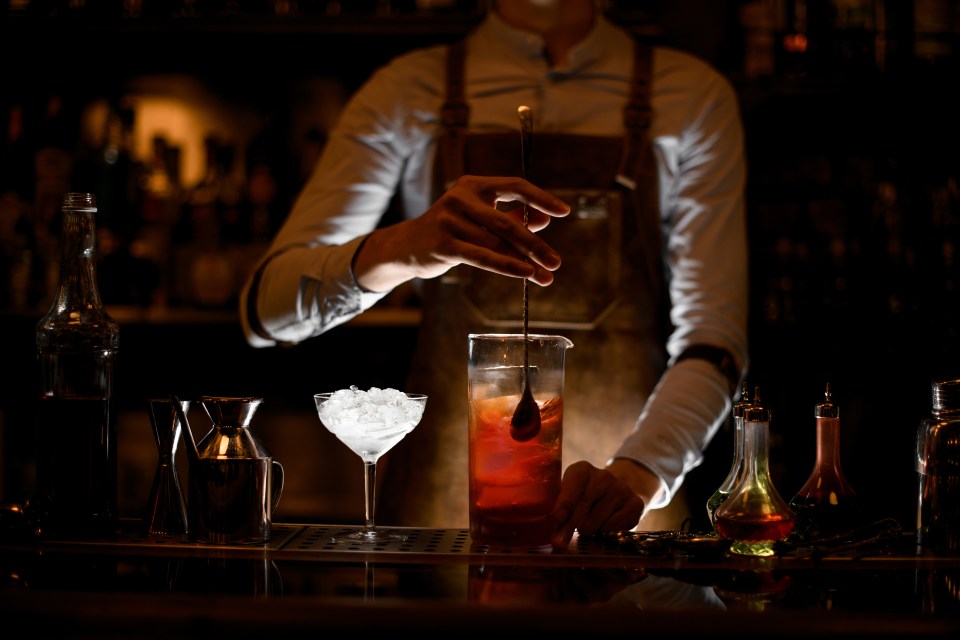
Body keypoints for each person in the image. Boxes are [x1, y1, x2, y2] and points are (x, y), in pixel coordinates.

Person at [240, 0, 748, 549]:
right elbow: (267, 313)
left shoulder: (692, 97)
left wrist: (640, 472)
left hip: (624, 530)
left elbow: (714, 340)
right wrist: (401, 250)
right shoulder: (409, 90)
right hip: (440, 534)